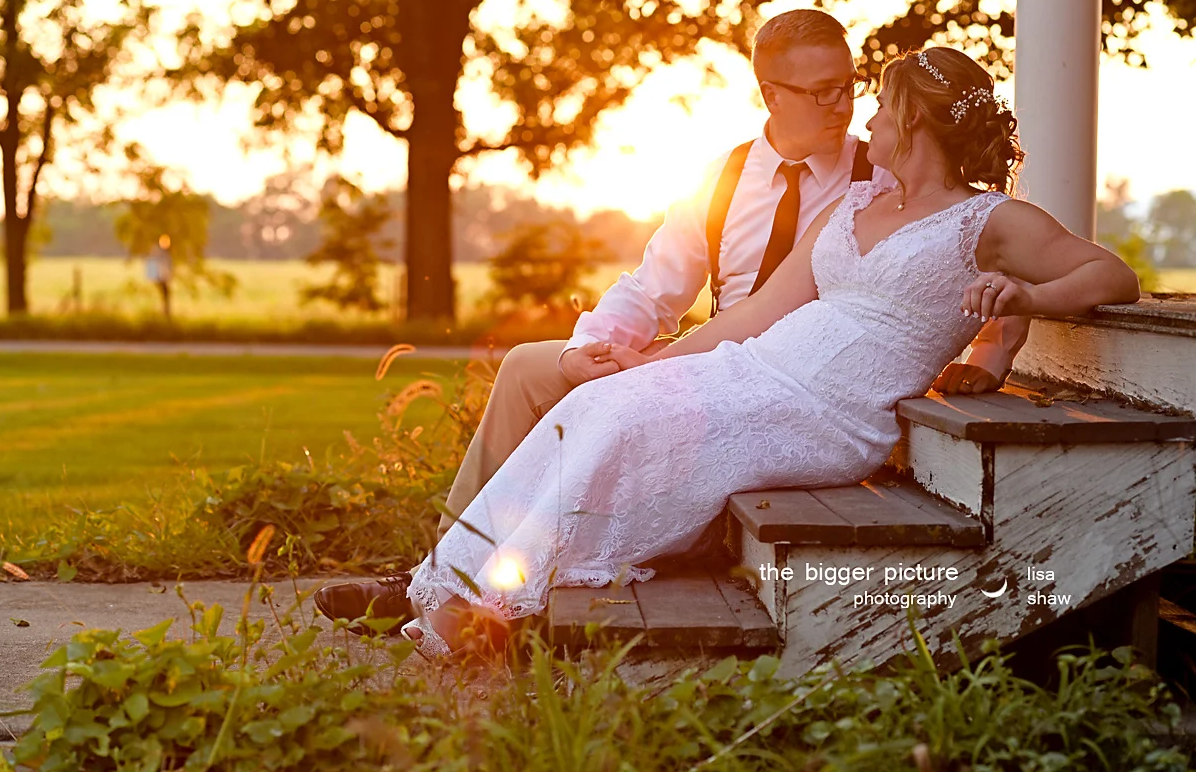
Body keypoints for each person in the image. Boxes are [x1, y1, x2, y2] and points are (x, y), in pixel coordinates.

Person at [393, 44, 1140, 659]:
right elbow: (763, 309)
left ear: (913, 122)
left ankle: (497, 607)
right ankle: (466, 589)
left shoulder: (988, 219)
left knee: (623, 428)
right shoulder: (855, 206)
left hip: (833, 412)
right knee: (598, 401)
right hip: (758, 368)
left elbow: (1114, 274)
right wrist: (656, 364)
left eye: (880, 104)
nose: (867, 117)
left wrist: (1025, 298)